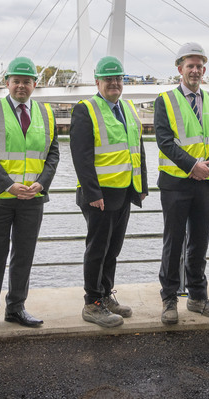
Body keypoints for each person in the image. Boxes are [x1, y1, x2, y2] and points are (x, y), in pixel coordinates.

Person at [0, 56, 59, 335]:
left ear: (35, 84)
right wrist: (8, 185)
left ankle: (16, 307)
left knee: (24, 255)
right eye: (16, 81)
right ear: (7, 83)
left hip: (32, 199)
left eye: (27, 81)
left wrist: (42, 183)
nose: (21, 86)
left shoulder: (47, 113)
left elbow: (52, 153)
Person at [70, 56, 147, 329]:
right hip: (99, 195)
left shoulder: (127, 109)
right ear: (97, 81)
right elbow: (81, 156)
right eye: (108, 79)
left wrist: (142, 186)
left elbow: (137, 149)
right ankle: (92, 302)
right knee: (97, 249)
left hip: (124, 191)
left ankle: (105, 294)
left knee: (113, 249)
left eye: (118, 79)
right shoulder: (85, 109)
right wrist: (93, 193)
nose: (114, 83)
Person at [155, 42, 209, 325]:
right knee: (174, 243)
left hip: (206, 182)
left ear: (204, 69)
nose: (195, 70)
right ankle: (169, 299)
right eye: (190, 66)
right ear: (180, 69)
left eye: (199, 66)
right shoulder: (166, 100)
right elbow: (164, 141)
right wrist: (191, 166)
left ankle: (198, 297)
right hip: (176, 183)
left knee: (199, 241)